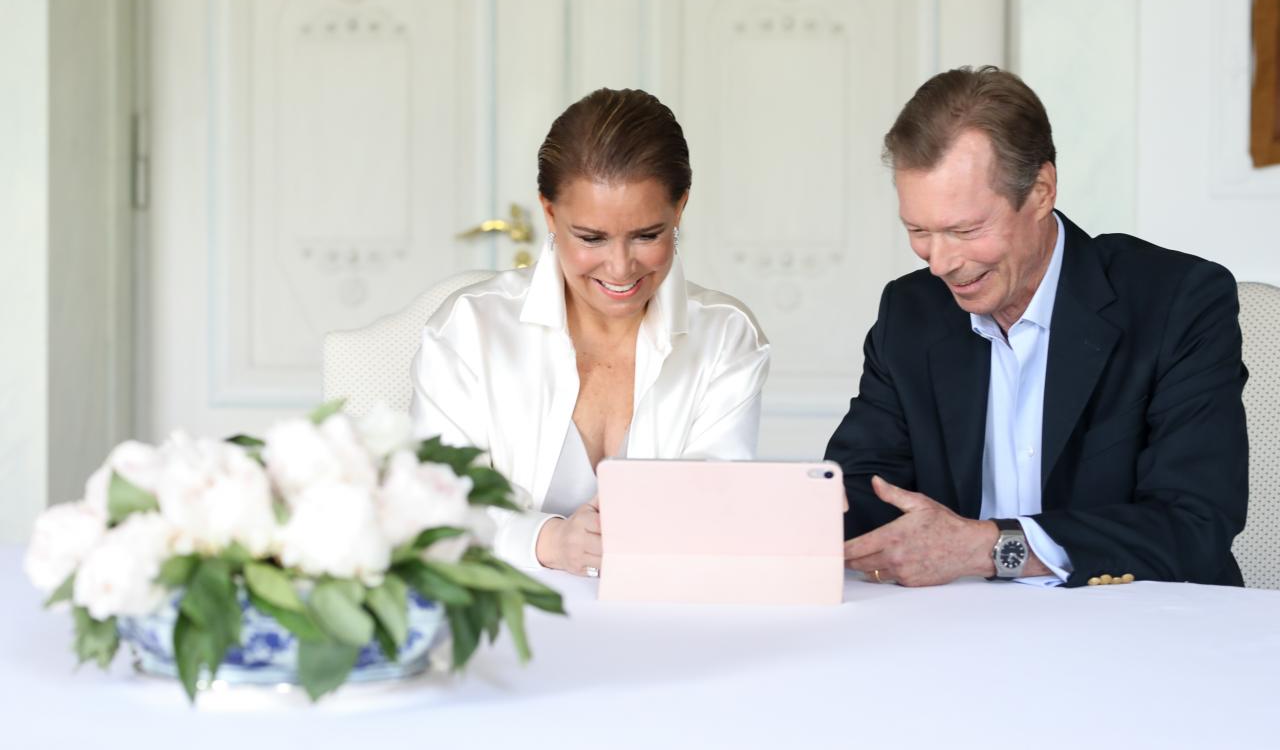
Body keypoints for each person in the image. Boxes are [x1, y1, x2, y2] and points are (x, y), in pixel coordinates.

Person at [826, 66, 1248, 588]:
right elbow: (862, 492)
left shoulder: (1177, 301)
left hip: (1138, 633)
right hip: (954, 635)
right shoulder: (909, 312)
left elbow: (1194, 526)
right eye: (918, 231)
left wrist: (990, 548)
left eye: (965, 229)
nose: (940, 263)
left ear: (1042, 191)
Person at [410, 88, 771, 575]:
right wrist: (546, 541)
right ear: (550, 213)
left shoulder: (725, 336)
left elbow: (716, 505)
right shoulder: (469, 330)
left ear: (680, 208)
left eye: (647, 235)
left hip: (664, 615)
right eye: (591, 238)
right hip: (507, 615)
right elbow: (436, 506)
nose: (620, 269)